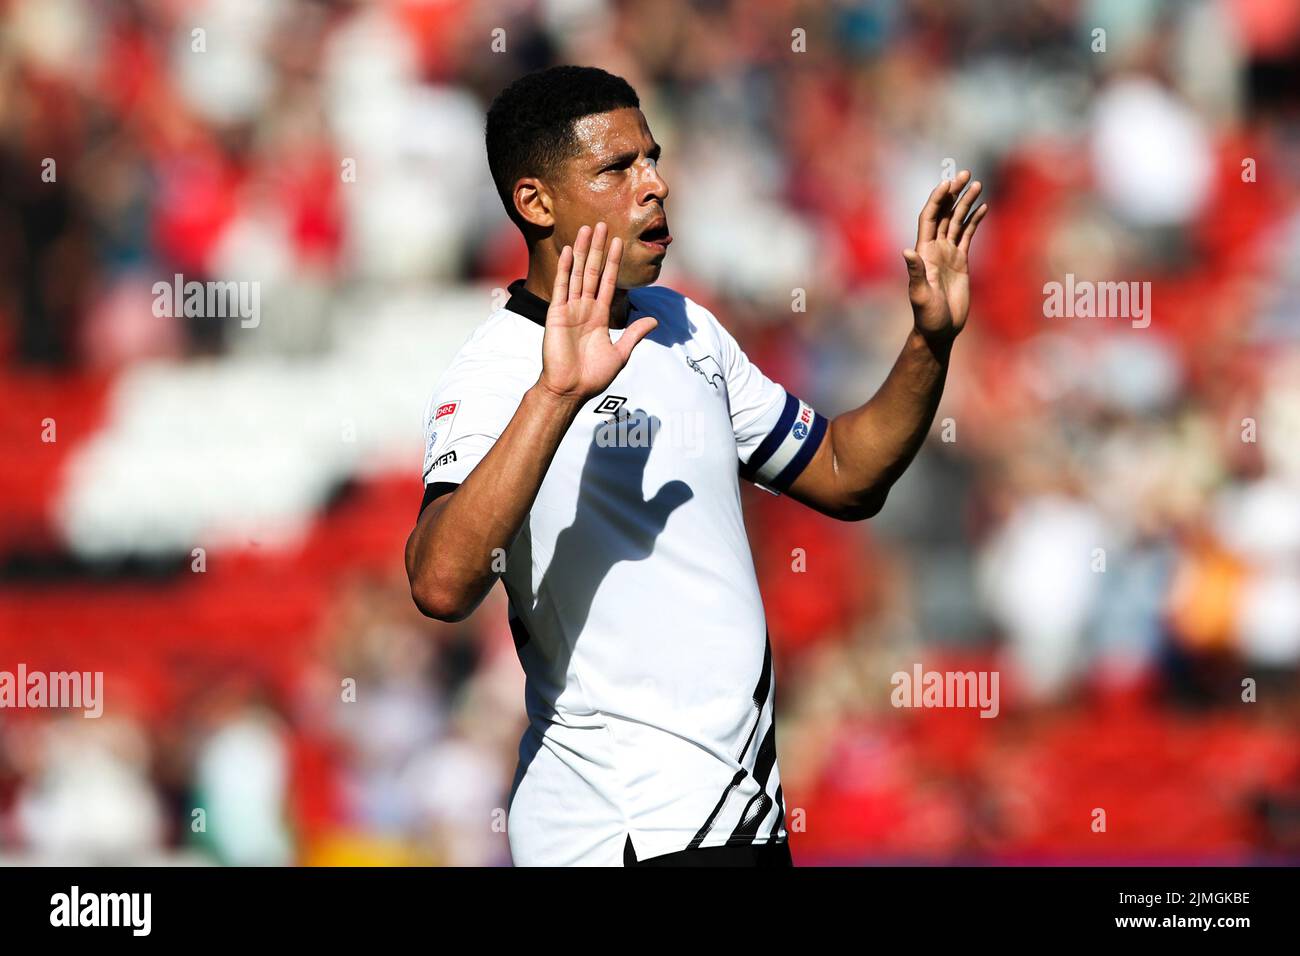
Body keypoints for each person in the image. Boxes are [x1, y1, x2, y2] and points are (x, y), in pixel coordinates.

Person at [404, 65, 987, 866]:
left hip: (738, 818)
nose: (655, 186)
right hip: (626, 830)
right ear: (535, 203)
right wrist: (554, 396)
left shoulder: (686, 329)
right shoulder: (498, 369)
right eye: (617, 168)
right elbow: (440, 581)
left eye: (653, 158)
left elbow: (849, 474)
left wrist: (929, 341)